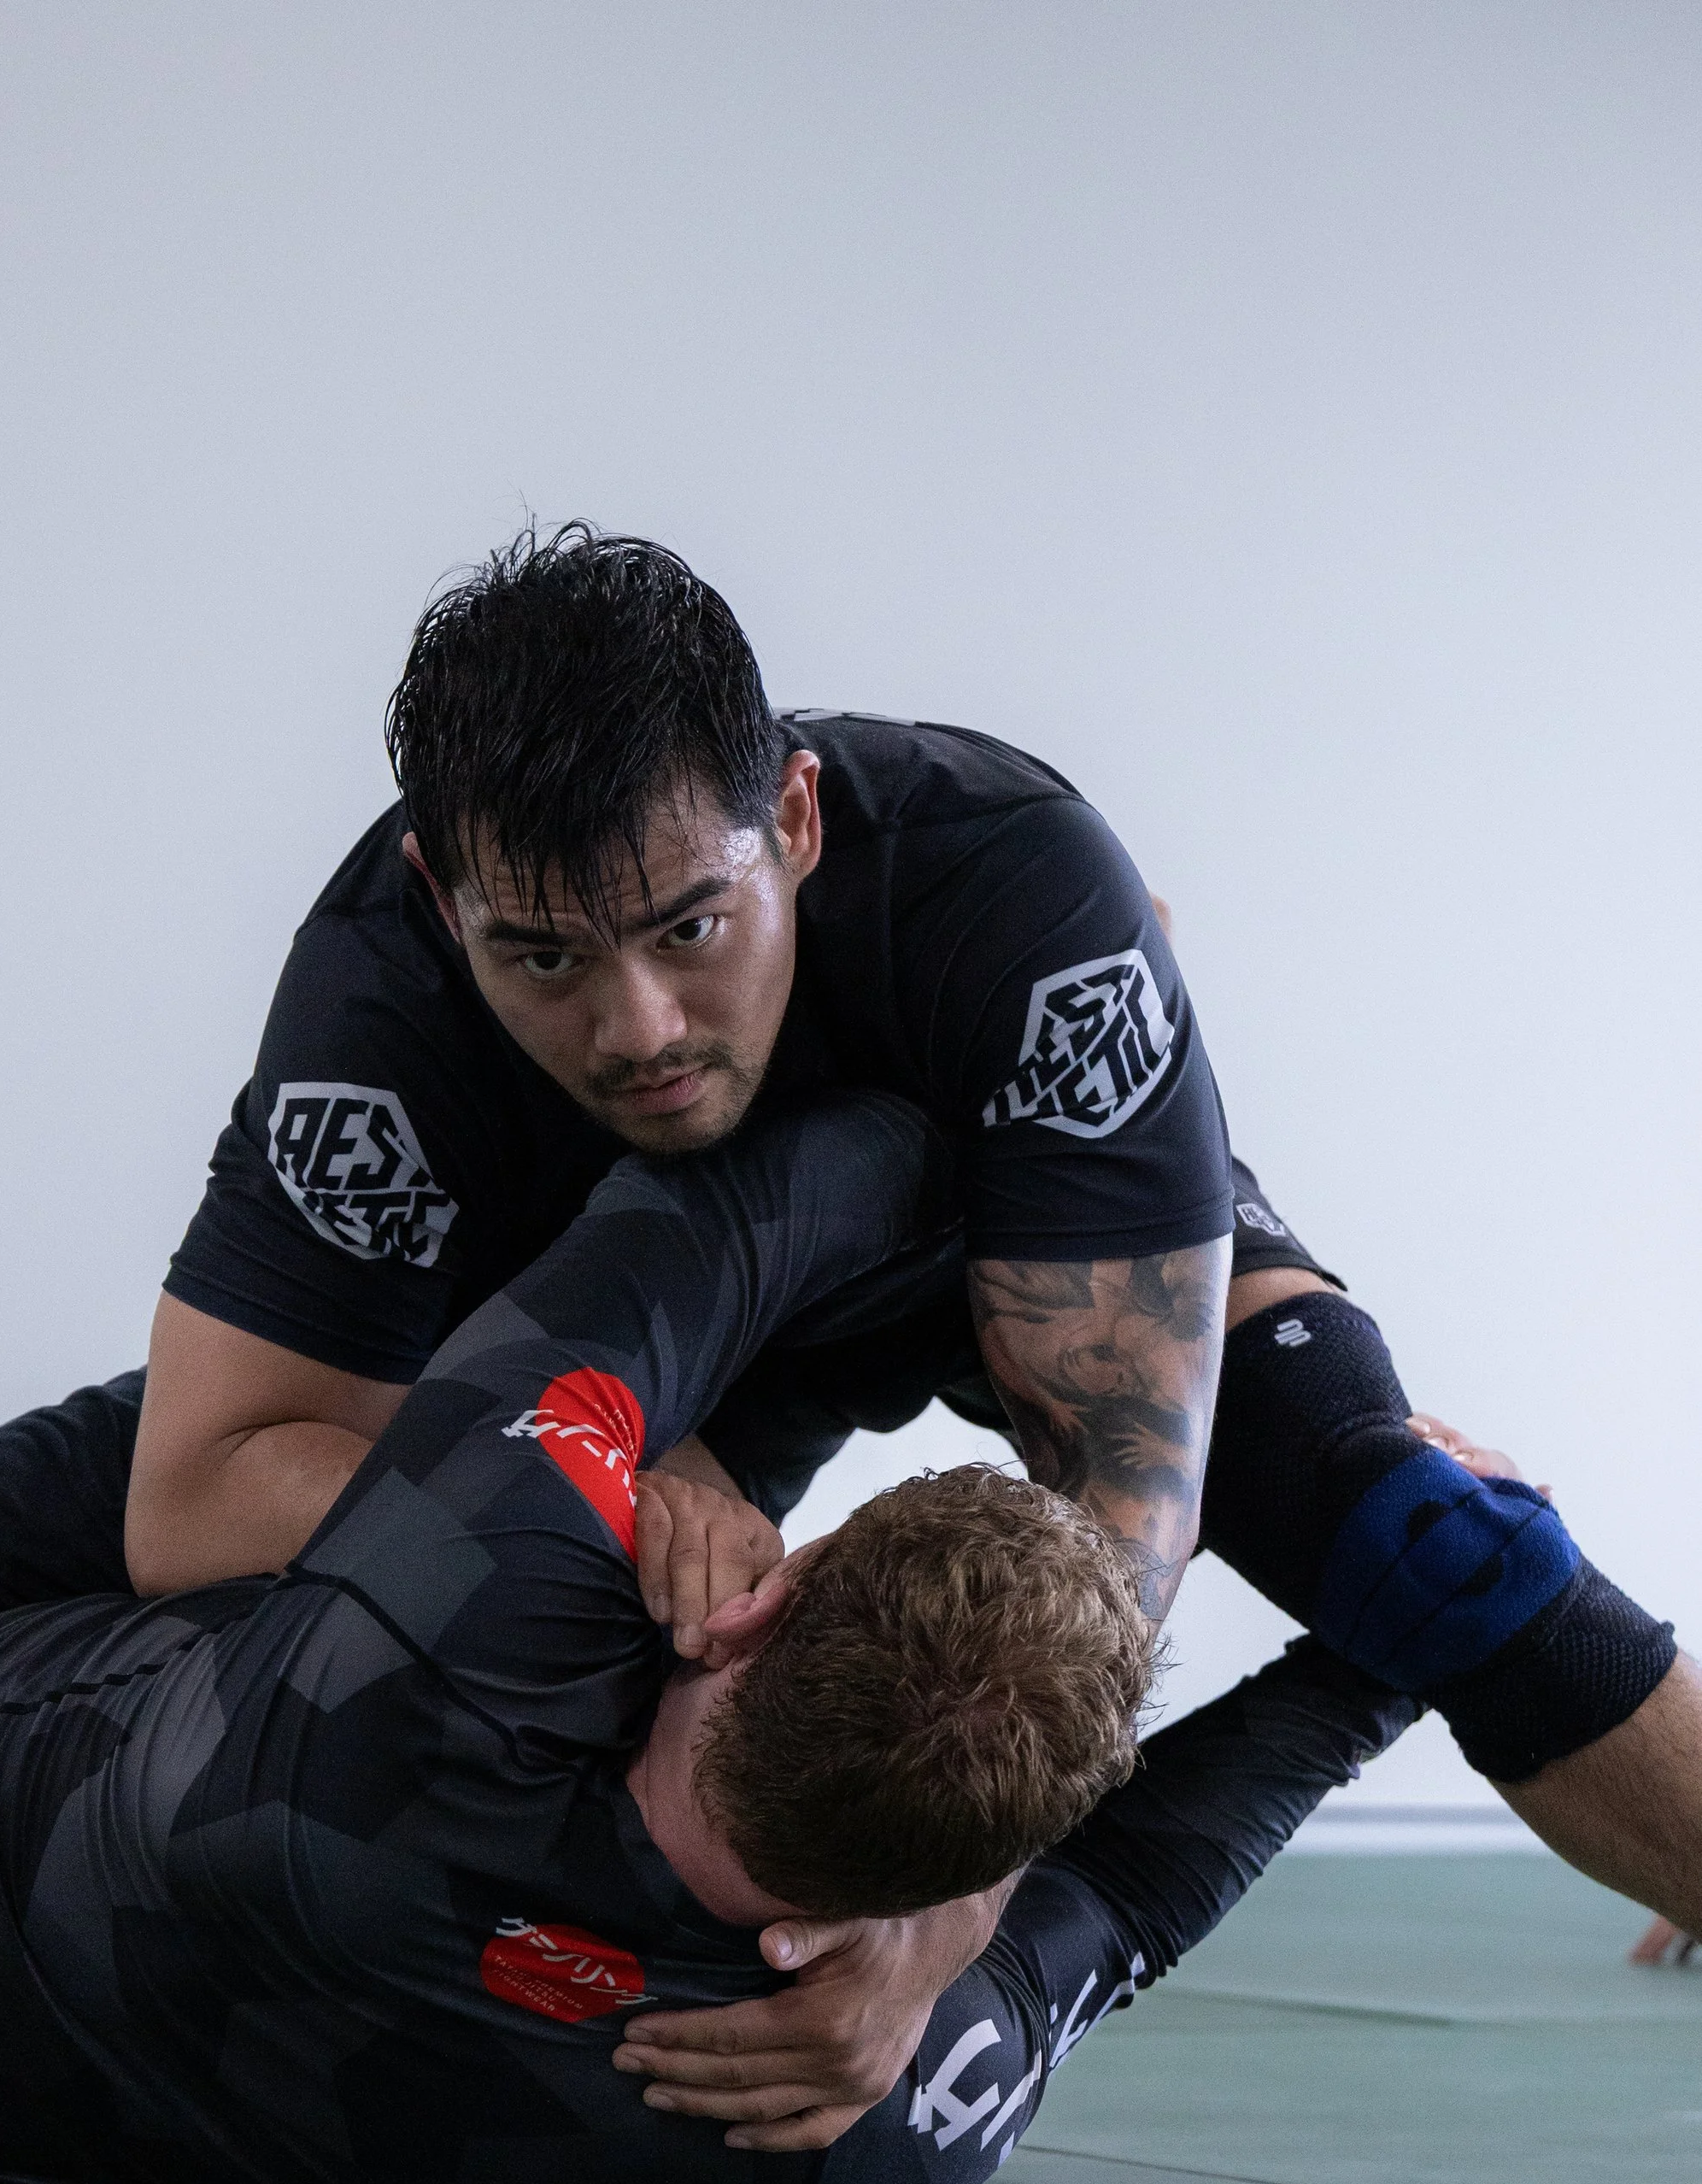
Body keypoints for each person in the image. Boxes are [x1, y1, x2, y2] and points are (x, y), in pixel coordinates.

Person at [124, 527, 1699, 2003]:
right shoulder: (376, 1013)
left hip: (1008, 1224)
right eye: (541, 957)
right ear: (437, 899)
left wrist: (954, 1903)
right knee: (519, 1654)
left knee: (1415, 1533)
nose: (639, 1030)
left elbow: (1121, 1502)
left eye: (689, 928)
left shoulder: (1010, 878)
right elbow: (195, 1497)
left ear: (795, 823)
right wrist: (583, 1475)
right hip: (669, 1351)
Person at [0, 1095, 1411, 2184]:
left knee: (467, 1385)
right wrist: (1381, 1660)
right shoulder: (869, 2136)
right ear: (967, 1883)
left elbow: (734, 1201)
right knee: (608, 1419)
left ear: (754, 1601)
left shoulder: (467, 1598)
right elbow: (1129, 1895)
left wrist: (1075, 1073)